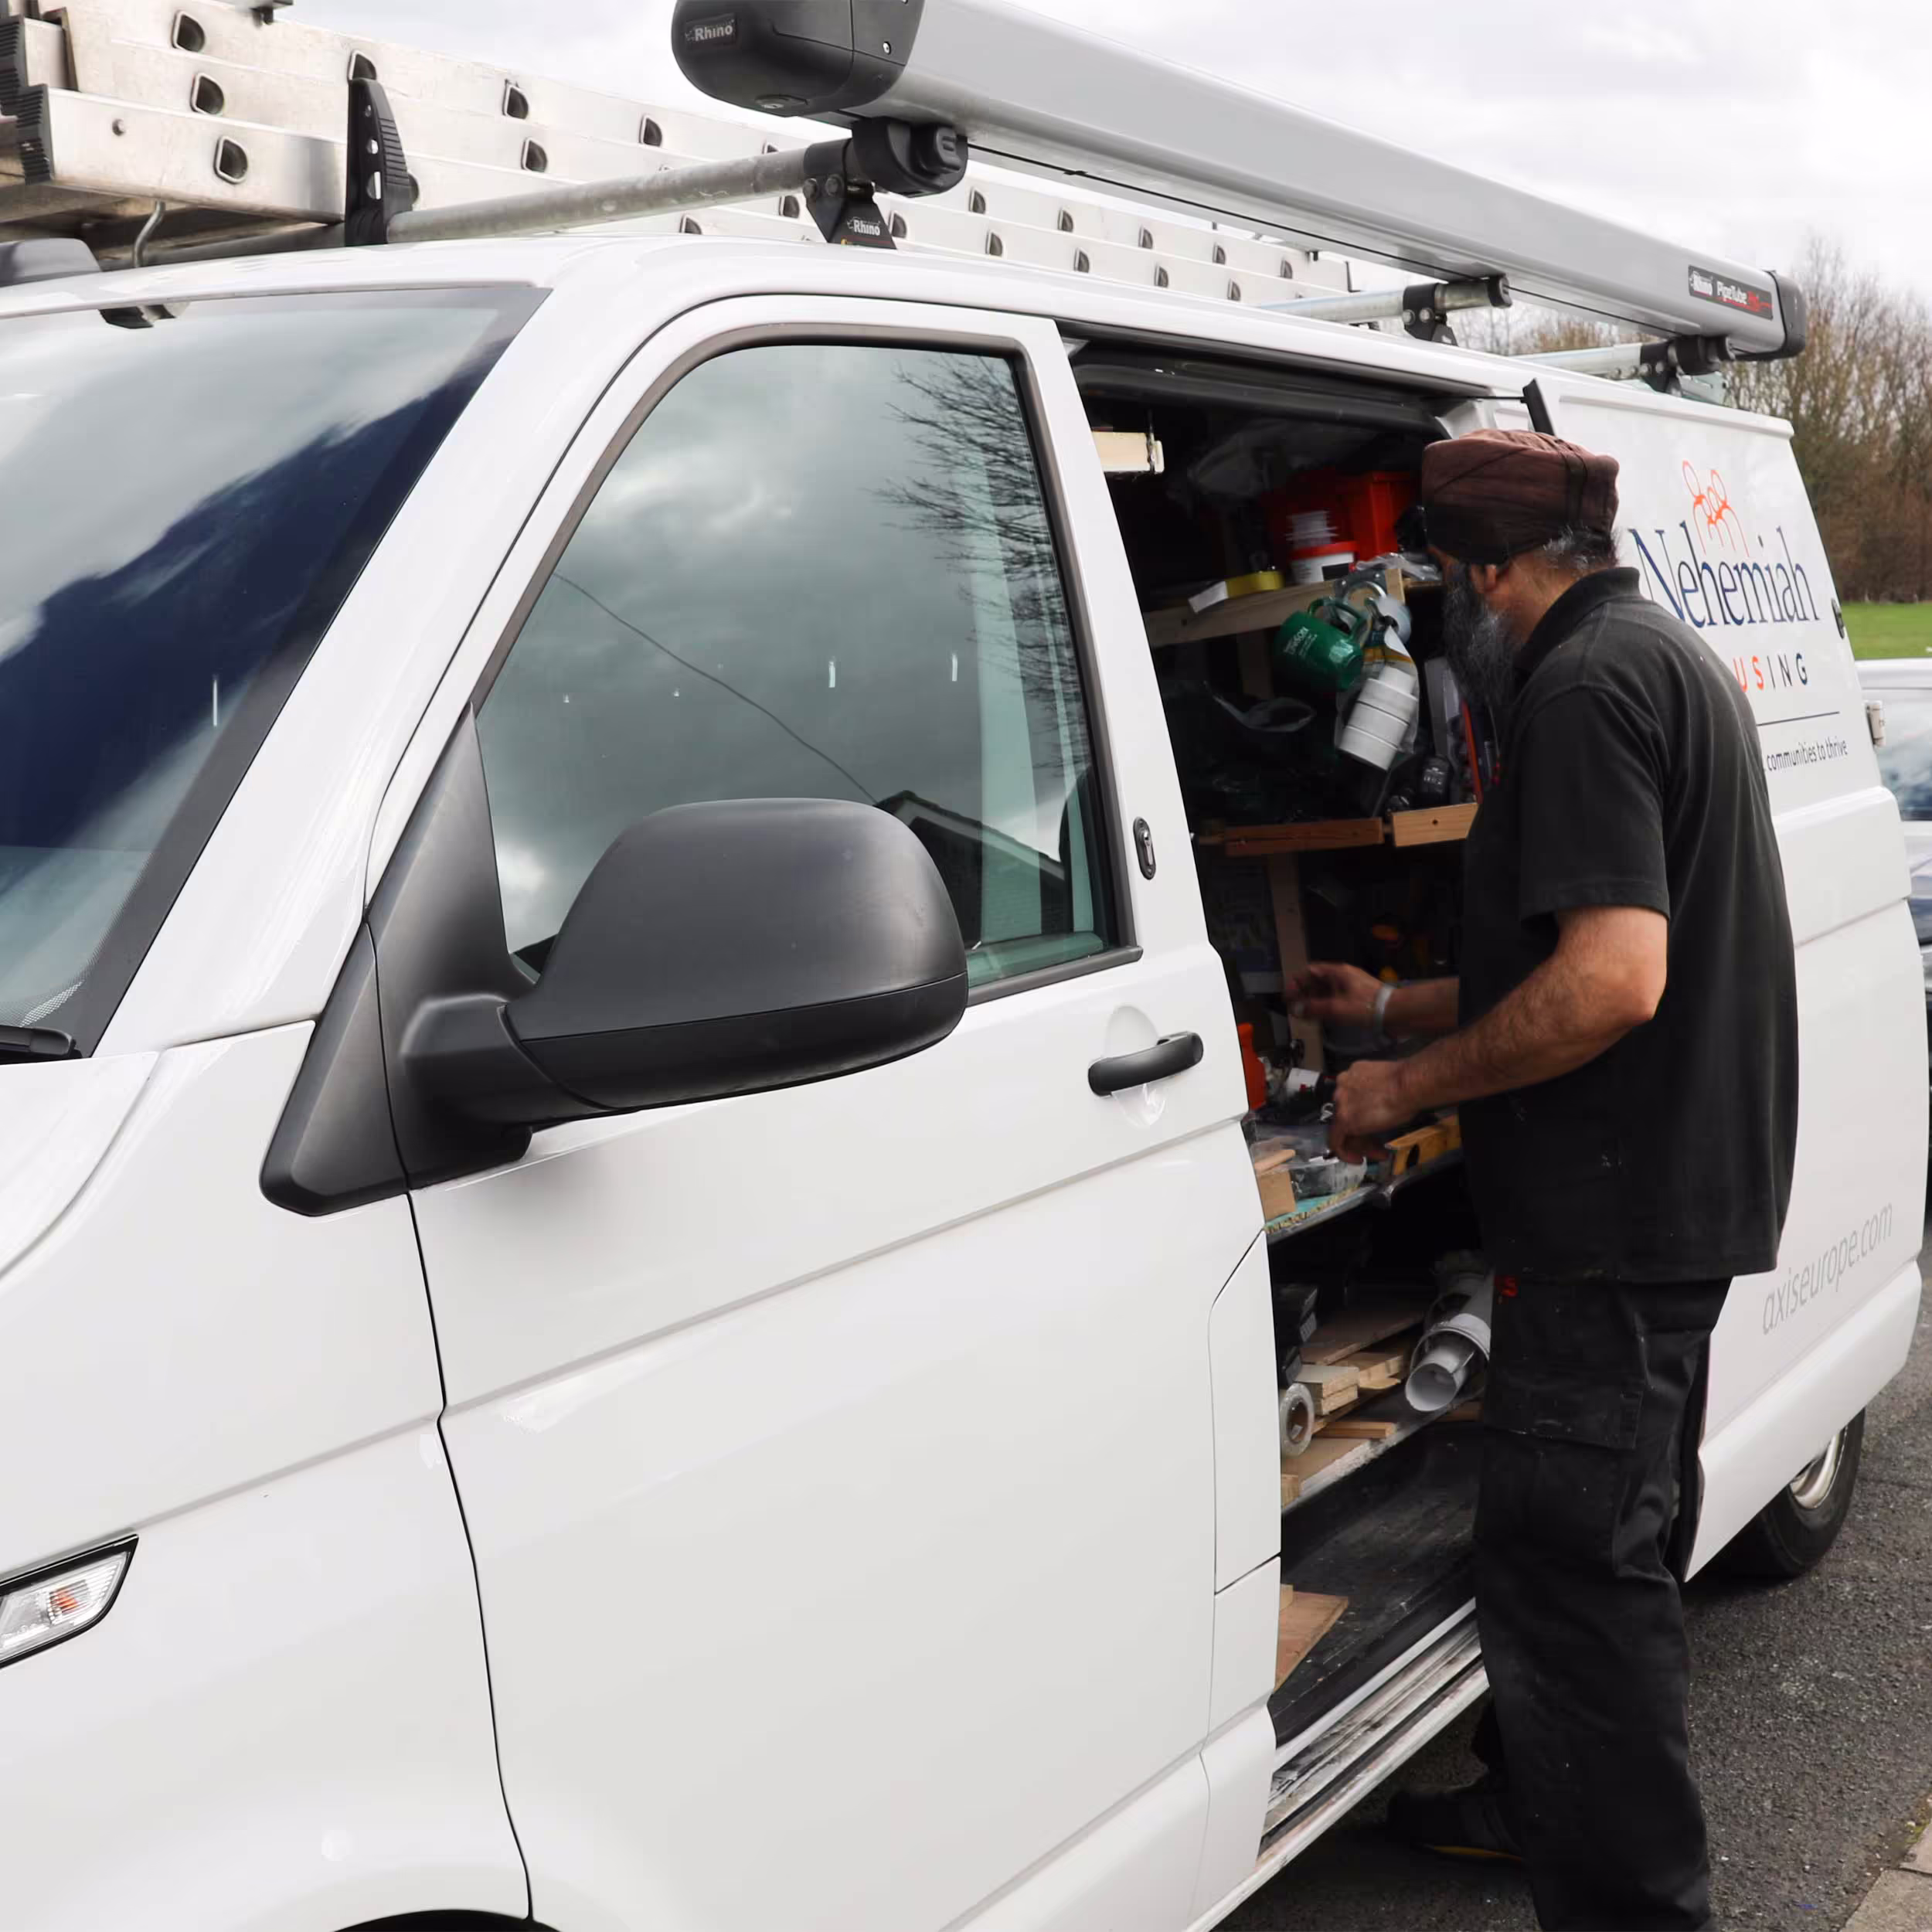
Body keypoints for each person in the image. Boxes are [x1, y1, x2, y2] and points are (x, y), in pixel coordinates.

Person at [1291, 430, 1798, 1932]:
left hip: (1606, 1218)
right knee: (1612, 1540)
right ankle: (1536, 1805)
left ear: (1484, 574)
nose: (1440, 618)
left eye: (1439, 582)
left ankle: (1636, 1906)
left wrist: (1398, 1091)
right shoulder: (1653, 654)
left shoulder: (1575, 692)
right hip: (1658, 1203)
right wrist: (1384, 1011)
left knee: (1573, 1584)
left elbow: (1606, 982)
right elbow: (1564, 956)